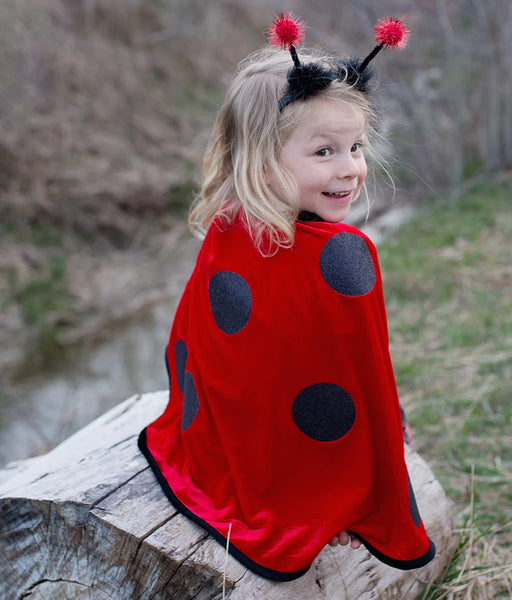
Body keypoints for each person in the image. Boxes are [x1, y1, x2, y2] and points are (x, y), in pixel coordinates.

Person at [138, 13, 436, 581]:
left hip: (217, 446)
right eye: (323, 152)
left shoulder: (230, 224)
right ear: (258, 156)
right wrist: (382, 443)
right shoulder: (345, 255)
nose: (351, 168)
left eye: (355, 146)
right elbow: (361, 378)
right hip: (292, 481)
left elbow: (348, 366)